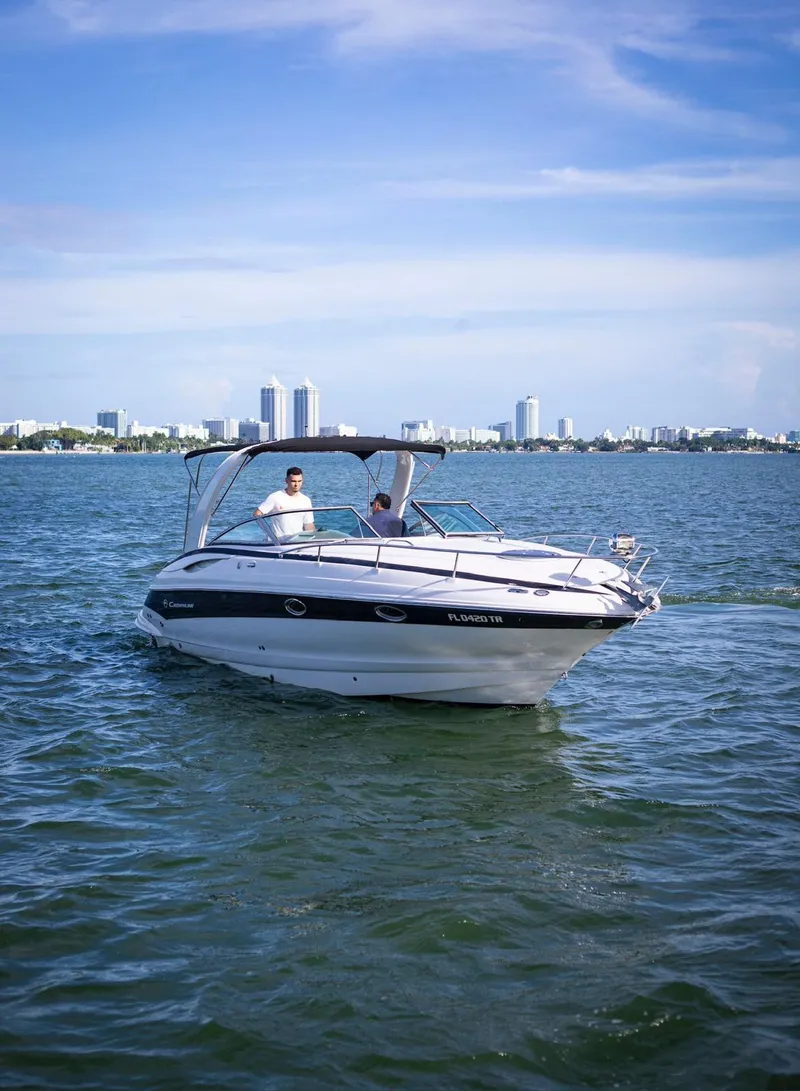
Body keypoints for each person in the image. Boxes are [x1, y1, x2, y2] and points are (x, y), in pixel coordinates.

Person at [254, 466, 315, 538]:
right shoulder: (275, 497)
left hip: (297, 541)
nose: (296, 484)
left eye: (299, 481)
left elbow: (308, 525)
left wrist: (314, 537)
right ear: (286, 481)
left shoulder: (306, 500)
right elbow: (257, 514)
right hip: (278, 542)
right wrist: (269, 534)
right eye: (293, 481)